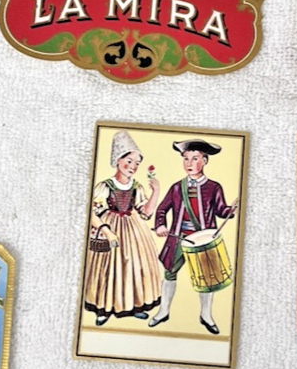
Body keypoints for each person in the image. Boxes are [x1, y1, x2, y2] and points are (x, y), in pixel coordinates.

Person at [150, 139, 238, 334]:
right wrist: (160, 225)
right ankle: (163, 311)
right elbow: (162, 209)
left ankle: (206, 315)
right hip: (178, 238)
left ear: (204, 161)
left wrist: (231, 210)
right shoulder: (176, 187)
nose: (189, 163)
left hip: (203, 240)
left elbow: (221, 210)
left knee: (208, 278)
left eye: (195, 158)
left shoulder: (214, 187)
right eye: (186, 159)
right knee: (169, 273)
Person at [83, 130, 162, 324]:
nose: (133, 166)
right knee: (107, 268)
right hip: (108, 228)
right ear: (118, 160)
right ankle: (104, 308)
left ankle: (134, 305)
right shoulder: (104, 186)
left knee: (135, 266)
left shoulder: (137, 187)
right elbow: (91, 212)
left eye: (137, 163)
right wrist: (106, 231)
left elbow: (145, 213)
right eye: (129, 161)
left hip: (134, 231)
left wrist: (156, 192)